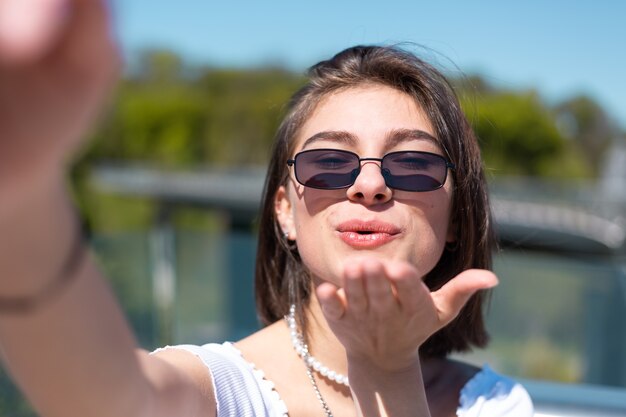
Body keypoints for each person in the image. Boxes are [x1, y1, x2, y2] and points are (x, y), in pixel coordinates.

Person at [0, 0, 533, 416]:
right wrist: (21, 192)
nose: (369, 184)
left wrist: (388, 370)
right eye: (329, 161)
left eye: (412, 164)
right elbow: (104, 399)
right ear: (284, 210)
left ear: (458, 220)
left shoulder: (496, 406)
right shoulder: (216, 389)